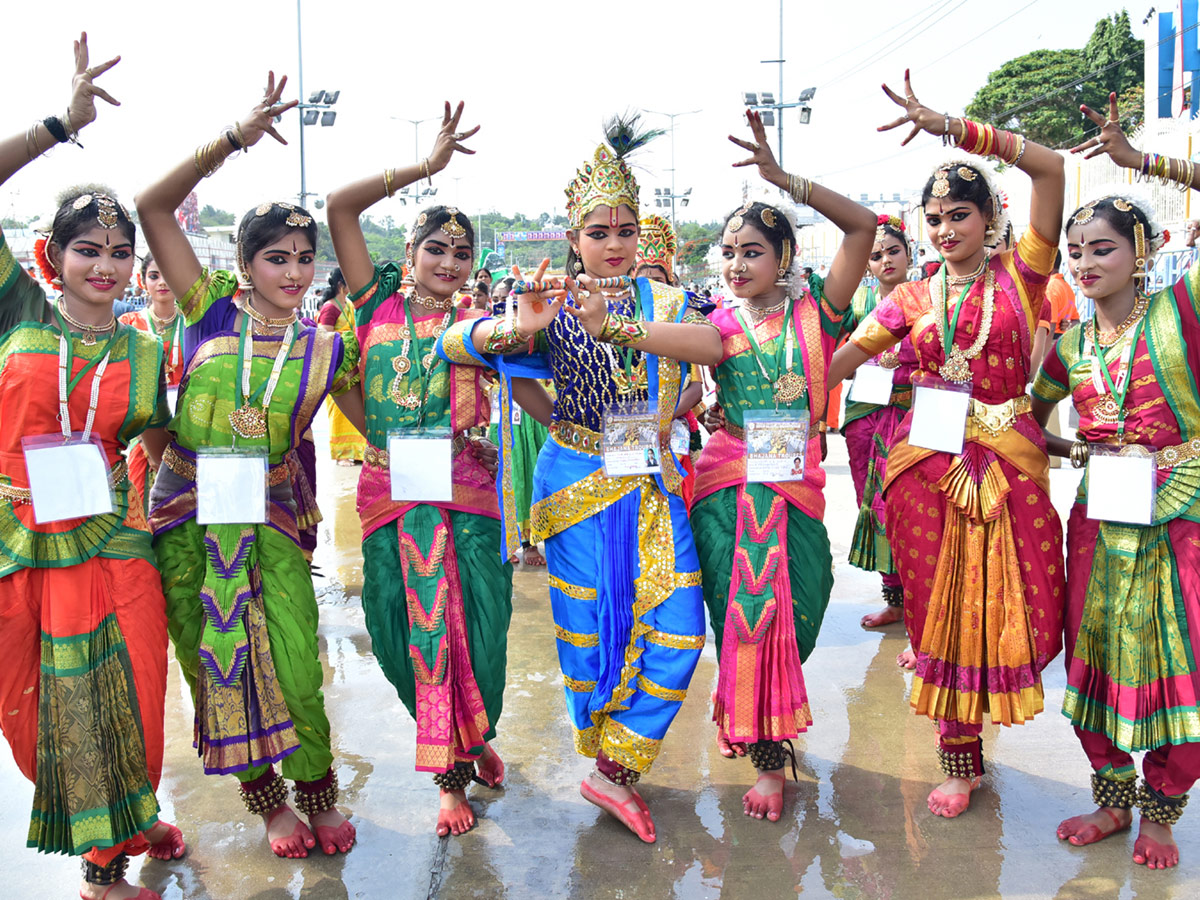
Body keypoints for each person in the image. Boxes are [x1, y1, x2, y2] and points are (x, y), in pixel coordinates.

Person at [438, 113, 722, 843]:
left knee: (680, 629)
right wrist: (518, 330)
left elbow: (709, 347)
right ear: (574, 237)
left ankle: (614, 770)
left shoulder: (661, 301)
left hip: (650, 484)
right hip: (574, 482)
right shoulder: (551, 302)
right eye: (599, 232)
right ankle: (608, 764)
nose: (616, 244)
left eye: (627, 231)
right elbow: (474, 356)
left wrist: (614, 329)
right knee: (591, 631)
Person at [828, 71, 1067, 819]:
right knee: (938, 616)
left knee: (1017, 607)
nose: (944, 230)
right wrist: (788, 393)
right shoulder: (909, 294)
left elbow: (1052, 167)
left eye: (959, 214)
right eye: (934, 217)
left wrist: (952, 127)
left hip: (1009, 465)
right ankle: (958, 759)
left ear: (992, 217)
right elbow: (844, 357)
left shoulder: (1025, 275)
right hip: (924, 472)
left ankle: (985, 723)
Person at [136, 72, 357, 860]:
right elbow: (153, 207)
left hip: (270, 515)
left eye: (304, 259)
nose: (293, 274)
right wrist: (232, 138)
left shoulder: (327, 346)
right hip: (188, 519)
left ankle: (318, 789)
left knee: (296, 659)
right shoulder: (208, 308)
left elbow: (384, 420)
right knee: (215, 669)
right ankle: (269, 806)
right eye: (275, 259)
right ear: (243, 263)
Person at [0, 35, 185, 900]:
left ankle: (132, 816)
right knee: (52, 704)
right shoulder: (17, 315)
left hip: (116, 535)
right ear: (54, 256)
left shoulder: (145, 350)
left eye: (117, 253)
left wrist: (175, 505)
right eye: (88, 250)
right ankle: (98, 850)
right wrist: (57, 125)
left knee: (142, 686)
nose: (105, 266)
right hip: (27, 540)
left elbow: (158, 438)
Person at [325, 101, 512, 838]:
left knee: (480, 632)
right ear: (410, 251)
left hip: (465, 496)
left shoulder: (477, 323)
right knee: (409, 633)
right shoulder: (371, 305)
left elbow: (521, 372)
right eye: (436, 248)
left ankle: (464, 750)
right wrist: (426, 166)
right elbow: (340, 206)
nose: (448, 262)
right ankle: (453, 760)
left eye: (460, 254)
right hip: (391, 498)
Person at [691, 109, 875, 823]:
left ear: (786, 256)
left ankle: (767, 723)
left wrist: (782, 179)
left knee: (796, 609)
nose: (737, 265)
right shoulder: (717, 323)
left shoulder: (821, 313)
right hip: (726, 486)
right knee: (743, 619)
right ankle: (768, 760)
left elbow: (860, 227)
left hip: (795, 489)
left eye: (752, 252)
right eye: (729, 251)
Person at [1031, 93, 1200, 871]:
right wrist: (1067, 451)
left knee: (1180, 662)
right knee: (1094, 656)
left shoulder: (1183, 313)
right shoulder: (1068, 343)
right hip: (1097, 519)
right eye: (1076, 254)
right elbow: (1028, 416)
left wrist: (1142, 163)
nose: (1086, 264)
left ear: (1142, 249)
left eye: (1102, 248)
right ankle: (1110, 798)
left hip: (1181, 520)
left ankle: (1162, 811)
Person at [834, 216, 917, 651]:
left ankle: (923, 616)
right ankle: (896, 601)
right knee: (872, 508)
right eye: (875, 255)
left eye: (893, 252)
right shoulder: (859, 304)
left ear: (910, 253)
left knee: (907, 512)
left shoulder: (928, 300)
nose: (885, 260)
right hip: (864, 414)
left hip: (910, 415)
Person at [119, 252, 184, 509]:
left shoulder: (192, 323)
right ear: (142, 280)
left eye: (167, 275)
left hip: (185, 426)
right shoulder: (129, 325)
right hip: (144, 427)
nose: (161, 282)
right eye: (154, 276)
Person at [316, 267, 365, 466]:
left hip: (354, 366)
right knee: (339, 412)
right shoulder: (330, 307)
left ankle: (356, 451)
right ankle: (342, 454)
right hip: (337, 367)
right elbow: (323, 336)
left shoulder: (349, 304)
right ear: (340, 285)